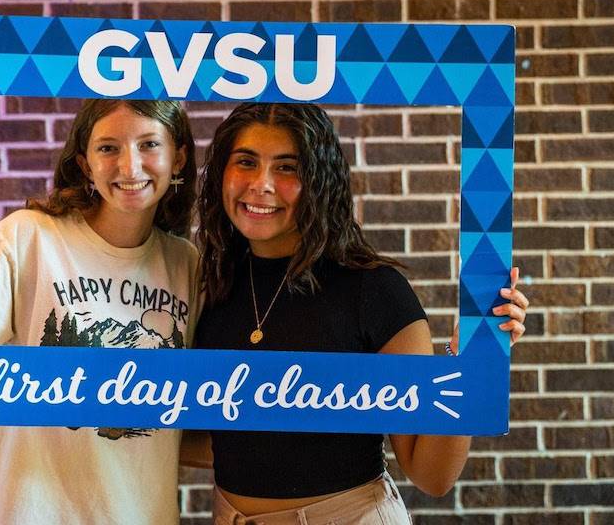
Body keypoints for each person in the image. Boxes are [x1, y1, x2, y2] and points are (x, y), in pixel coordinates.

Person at [192, 103, 529, 525]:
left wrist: (468, 362)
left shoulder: (373, 289)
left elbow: (431, 474)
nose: (261, 184)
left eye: (288, 167)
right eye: (246, 162)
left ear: (319, 181)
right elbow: (214, 437)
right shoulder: (213, 285)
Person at [0, 99, 200, 524]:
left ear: (179, 158)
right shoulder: (26, 237)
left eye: (149, 144)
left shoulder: (186, 263)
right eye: (108, 148)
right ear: (84, 164)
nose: (129, 165)